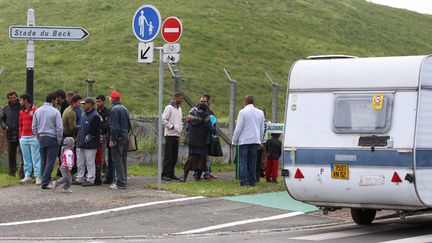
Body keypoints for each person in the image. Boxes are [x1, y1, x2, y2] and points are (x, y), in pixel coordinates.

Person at [32, 93, 63, 189]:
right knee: (50, 161)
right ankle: (45, 182)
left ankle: (44, 180)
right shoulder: (55, 111)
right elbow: (59, 128)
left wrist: (38, 136)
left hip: (41, 137)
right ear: (53, 100)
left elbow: (34, 127)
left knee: (43, 160)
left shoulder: (38, 110)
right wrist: (59, 139)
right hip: (52, 137)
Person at [232, 95, 265, 186]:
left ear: (245, 102)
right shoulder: (260, 113)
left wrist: (234, 140)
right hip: (255, 140)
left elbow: (238, 128)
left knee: (243, 161)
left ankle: (244, 181)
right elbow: (262, 128)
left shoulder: (242, 112)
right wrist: (260, 140)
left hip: (244, 140)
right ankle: (252, 181)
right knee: (253, 161)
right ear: (253, 102)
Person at [180, 103, 212, 182]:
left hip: (193, 142)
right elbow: (211, 129)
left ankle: (184, 177)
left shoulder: (191, 117)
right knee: (201, 160)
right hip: (203, 142)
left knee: (190, 159)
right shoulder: (207, 118)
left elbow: (187, 128)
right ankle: (198, 177)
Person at [75, 97, 101, 187]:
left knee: (90, 162)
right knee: (80, 161)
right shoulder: (85, 114)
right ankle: (80, 177)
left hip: (90, 144)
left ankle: (91, 179)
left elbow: (93, 131)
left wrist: (86, 139)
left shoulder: (95, 115)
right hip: (82, 143)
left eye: (85, 104)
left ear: (90, 104)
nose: (83, 106)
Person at [107, 91, 130, 189]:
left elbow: (114, 126)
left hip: (118, 137)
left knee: (117, 160)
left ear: (113, 99)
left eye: (110, 98)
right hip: (125, 137)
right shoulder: (124, 108)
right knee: (123, 159)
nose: (109, 99)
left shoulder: (114, 110)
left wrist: (113, 139)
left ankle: (120, 182)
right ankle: (123, 179)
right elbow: (128, 125)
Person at [18, 94, 42, 184]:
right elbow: (20, 125)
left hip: (33, 137)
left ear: (26, 100)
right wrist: (20, 136)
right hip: (24, 137)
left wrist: (37, 136)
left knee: (36, 158)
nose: (20, 102)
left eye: (21, 100)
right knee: (26, 158)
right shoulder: (21, 112)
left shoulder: (35, 110)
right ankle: (27, 175)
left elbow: (39, 123)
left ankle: (38, 176)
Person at [1, 90, 24, 178]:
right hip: (10, 134)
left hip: (21, 134)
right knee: (11, 155)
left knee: (23, 155)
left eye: (14, 97)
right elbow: (2, 119)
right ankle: (11, 173)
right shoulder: (5, 108)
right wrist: (4, 126)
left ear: (17, 97)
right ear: (8, 99)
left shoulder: (22, 107)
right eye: (11, 98)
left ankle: (22, 173)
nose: (13, 99)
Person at [161, 92, 184, 181]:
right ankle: (165, 174)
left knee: (174, 156)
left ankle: (171, 173)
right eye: (181, 98)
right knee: (168, 155)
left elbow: (178, 120)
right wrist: (172, 126)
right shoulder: (169, 108)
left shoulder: (179, 109)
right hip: (170, 135)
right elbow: (163, 119)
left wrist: (180, 127)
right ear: (175, 98)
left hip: (177, 135)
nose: (182, 100)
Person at [95, 95, 110, 184]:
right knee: (98, 155)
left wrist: (105, 134)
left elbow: (107, 124)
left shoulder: (107, 112)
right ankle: (103, 170)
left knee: (103, 155)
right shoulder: (96, 111)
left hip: (103, 136)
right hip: (97, 136)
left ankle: (103, 172)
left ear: (103, 102)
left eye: (99, 101)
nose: (98, 103)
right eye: (97, 101)